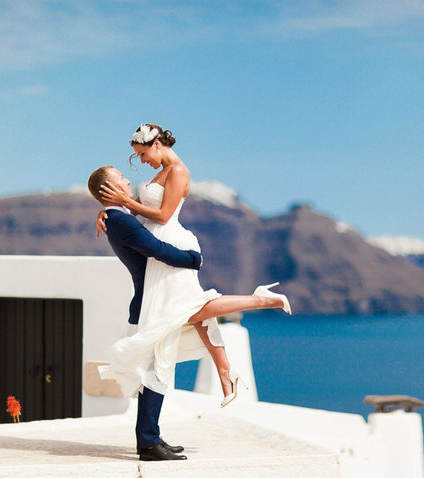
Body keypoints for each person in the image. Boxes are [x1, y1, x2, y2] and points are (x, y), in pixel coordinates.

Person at [96, 123, 292, 409]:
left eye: (142, 153)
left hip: (171, 243)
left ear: (157, 145)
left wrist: (126, 200)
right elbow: (133, 209)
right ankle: (225, 372)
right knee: (195, 313)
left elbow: (162, 215)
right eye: (137, 156)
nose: (142, 161)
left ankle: (262, 299)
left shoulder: (179, 172)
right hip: (159, 246)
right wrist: (107, 210)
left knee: (191, 310)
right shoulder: (161, 172)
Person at [88, 165, 194, 461]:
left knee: (157, 370)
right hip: (151, 303)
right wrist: (193, 259)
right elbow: (156, 248)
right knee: (155, 371)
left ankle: (151, 437)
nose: (127, 179)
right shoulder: (120, 220)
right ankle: (148, 443)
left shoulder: (118, 218)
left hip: (153, 300)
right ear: (109, 189)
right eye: (120, 177)